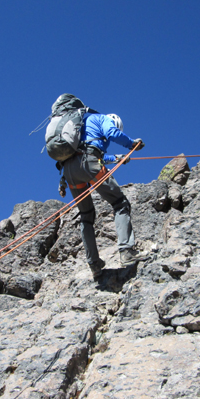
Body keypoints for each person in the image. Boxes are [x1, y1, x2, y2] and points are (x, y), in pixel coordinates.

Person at [61, 106, 147, 279]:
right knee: (120, 203)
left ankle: (94, 264)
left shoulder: (81, 125)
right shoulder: (102, 119)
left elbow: (93, 152)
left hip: (69, 172)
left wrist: (116, 158)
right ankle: (126, 250)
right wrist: (131, 144)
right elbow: (112, 134)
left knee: (86, 215)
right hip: (89, 164)